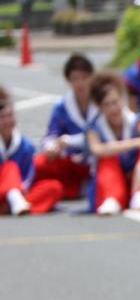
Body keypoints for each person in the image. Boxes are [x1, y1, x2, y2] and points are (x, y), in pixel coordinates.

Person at [85, 72, 140, 214]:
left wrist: (139, 167)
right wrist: (134, 143)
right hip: (112, 181)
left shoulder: (137, 120)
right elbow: (97, 149)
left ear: (122, 99)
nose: (113, 109)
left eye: (115, 102)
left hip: (138, 178)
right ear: (99, 107)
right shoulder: (94, 127)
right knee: (107, 159)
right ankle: (111, 198)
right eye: (107, 105)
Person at [34, 52, 98, 200]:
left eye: (84, 78)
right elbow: (51, 134)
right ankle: (76, 187)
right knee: (38, 164)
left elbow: (105, 135)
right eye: (75, 79)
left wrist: (71, 140)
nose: (80, 83)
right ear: (68, 80)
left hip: (96, 160)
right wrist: (51, 147)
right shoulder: (62, 107)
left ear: (92, 78)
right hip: (70, 161)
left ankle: (78, 187)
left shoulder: (102, 102)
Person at [0, 87, 63, 215]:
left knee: (54, 187)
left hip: (21, 192)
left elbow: (28, 177)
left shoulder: (26, 146)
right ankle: (13, 202)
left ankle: (12, 205)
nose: (7, 121)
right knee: (10, 167)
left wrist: (17, 189)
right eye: (2, 117)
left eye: (10, 116)